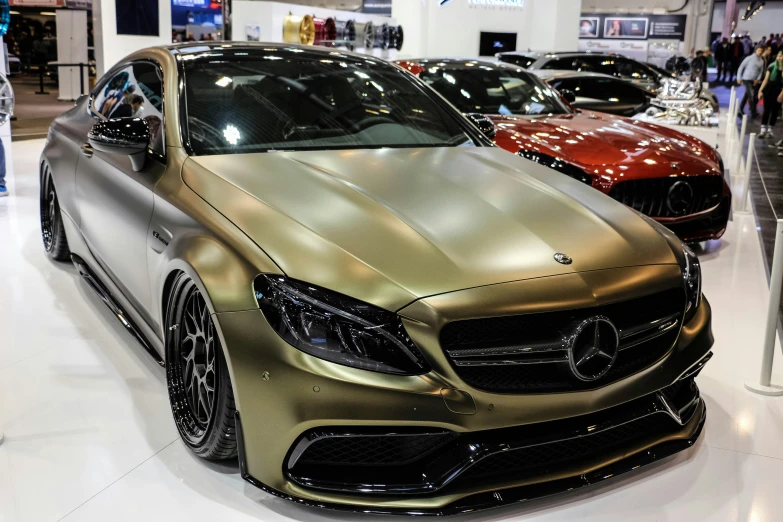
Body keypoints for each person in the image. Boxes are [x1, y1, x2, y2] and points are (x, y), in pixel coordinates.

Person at [759, 51, 783, 138]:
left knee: (775, 111)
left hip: (780, 91)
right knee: (766, 110)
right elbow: (766, 80)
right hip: (769, 90)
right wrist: (760, 90)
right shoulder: (771, 66)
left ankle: (770, 130)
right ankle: (762, 130)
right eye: (779, 56)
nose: (780, 58)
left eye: (781, 56)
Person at [737, 46, 766, 117]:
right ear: (756, 50)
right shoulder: (749, 58)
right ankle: (753, 111)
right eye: (759, 50)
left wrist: (758, 79)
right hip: (746, 79)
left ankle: (740, 110)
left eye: (762, 51)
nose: (760, 52)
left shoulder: (761, 60)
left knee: (747, 95)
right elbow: (741, 67)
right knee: (751, 94)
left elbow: (761, 71)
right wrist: (738, 77)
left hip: (754, 80)